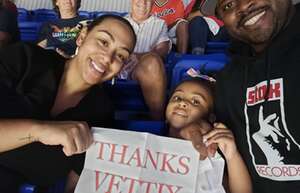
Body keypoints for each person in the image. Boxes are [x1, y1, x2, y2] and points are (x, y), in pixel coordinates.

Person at [0, 14, 136, 193]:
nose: (108, 58)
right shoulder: (24, 57)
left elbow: (77, 184)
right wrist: (38, 130)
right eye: (103, 42)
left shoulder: (102, 113)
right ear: (82, 37)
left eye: (120, 55)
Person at [182, 0, 300, 192]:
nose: (243, 6)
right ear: (222, 20)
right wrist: (202, 127)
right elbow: (224, 136)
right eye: (228, 5)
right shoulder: (228, 81)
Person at [166, 78, 252, 193]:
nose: (182, 103)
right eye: (177, 97)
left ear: (210, 117)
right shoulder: (148, 143)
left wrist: (232, 156)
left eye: (195, 101)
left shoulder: (211, 150)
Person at [123, 0, 170, 120]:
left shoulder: (160, 24)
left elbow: (162, 50)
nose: (143, 3)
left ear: (153, 3)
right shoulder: (120, 22)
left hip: (145, 69)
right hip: (119, 67)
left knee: (153, 61)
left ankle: (157, 120)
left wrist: (138, 56)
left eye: (148, 0)